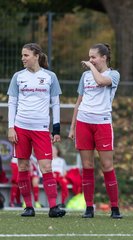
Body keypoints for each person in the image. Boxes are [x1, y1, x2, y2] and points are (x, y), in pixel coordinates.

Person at [7, 43, 66, 217]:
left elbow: (55, 104)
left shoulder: (50, 77)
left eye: (26, 55)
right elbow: (12, 103)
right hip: (21, 127)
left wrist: (56, 130)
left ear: (36, 56)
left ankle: (53, 207)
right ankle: (28, 207)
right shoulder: (18, 76)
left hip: (41, 129)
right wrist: (11, 127)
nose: (22, 58)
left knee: (46, 167)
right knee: (23, 166)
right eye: (22, 55)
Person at [68, 43, 122, 219]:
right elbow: (79, 102)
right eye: (89, 57)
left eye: (93, 57)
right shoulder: (85, 76)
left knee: (107, 166)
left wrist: (91, 66)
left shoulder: (113, 74)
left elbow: (100, 81)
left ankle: (115, 208)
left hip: (103, 123)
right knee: (87, 166)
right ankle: (89, 207)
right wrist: (73, 126)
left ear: (104, 58)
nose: (90, 60)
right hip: (84, 122)